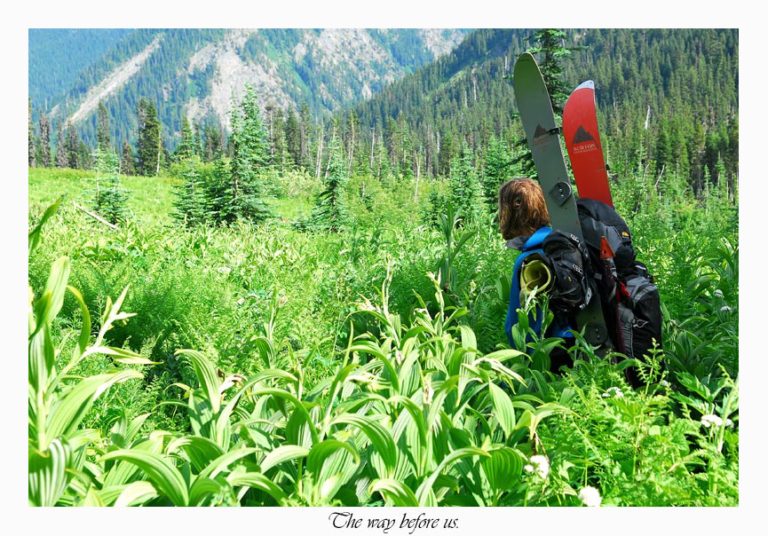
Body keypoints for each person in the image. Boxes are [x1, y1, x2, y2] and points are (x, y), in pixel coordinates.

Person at [498, 178, 574, 372]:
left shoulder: (529, 259)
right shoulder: (560, 244)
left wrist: (522, 369)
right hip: (576, 346)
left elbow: (522, 328)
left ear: (513, 211)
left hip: (551, 358)